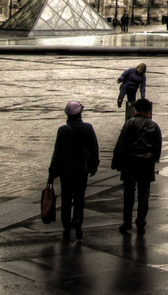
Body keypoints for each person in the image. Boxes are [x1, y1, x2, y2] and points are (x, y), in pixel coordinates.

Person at [47, 101, 98, 240]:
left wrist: (52, 173)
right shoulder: (88, 128)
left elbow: (57, 153)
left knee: (66, 199)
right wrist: (94, 166)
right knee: (79, 198)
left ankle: (66, 228)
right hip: (82, 170)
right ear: (80, 113)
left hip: (66, 171)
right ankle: (78, 222)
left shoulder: (62, 130)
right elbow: (94, 149)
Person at [112, 98, 162, 233]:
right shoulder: (154, 126)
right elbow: (157, 147)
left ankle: (126, 222)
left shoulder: (130, 123)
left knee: (128, 194)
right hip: (146, 164)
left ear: (136, 109)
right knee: (144, 195)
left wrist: (116, 161)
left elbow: (121, 144)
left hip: (130, 163)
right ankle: (141, 223)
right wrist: (153, 159)